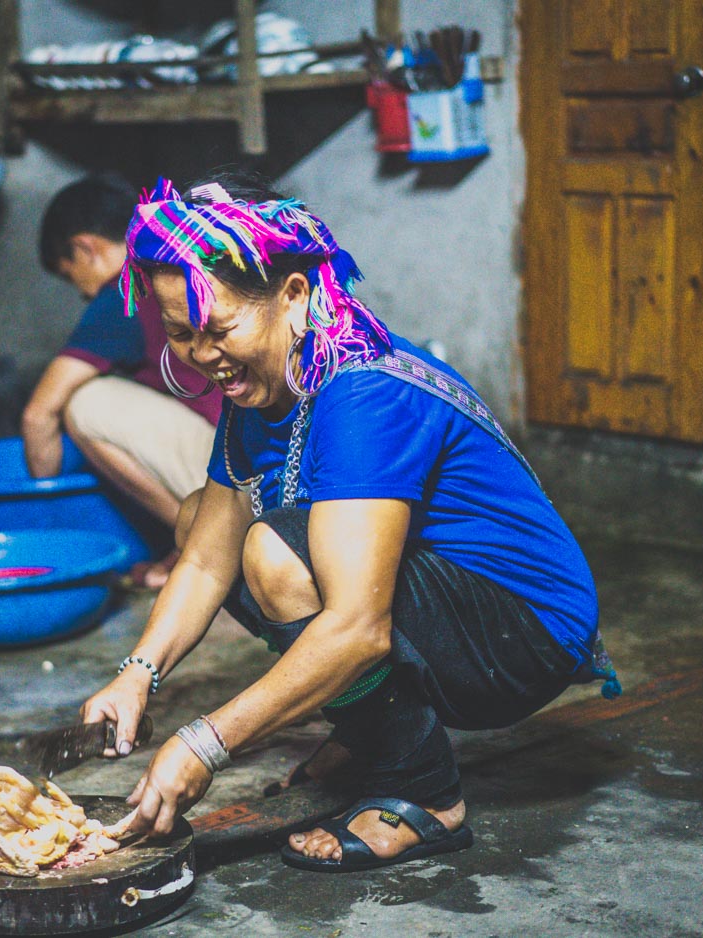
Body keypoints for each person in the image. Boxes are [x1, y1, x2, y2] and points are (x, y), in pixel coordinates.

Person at [80, 174, 617, 872]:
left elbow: (359, 630)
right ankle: (376, 730)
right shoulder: (263, 383)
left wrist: (204, 744)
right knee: (198, 520)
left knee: (276, 556)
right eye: (181, 335)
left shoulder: (360, 390)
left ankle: (423, 794)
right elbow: (209, 555)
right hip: (450, 606)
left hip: (524, 632)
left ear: (295, 295)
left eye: (218, 329)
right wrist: (137, 675)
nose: (202, 356)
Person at [25, 174, 224, 588]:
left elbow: (37, 415)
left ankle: (207, 547)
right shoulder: (177, 263)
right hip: (277, 459)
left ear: (86, 248)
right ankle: (202, 539)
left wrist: (43, 516)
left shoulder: (125, 291)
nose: (80, 292)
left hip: (239, 473)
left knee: (84, 402)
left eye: (69, 275)